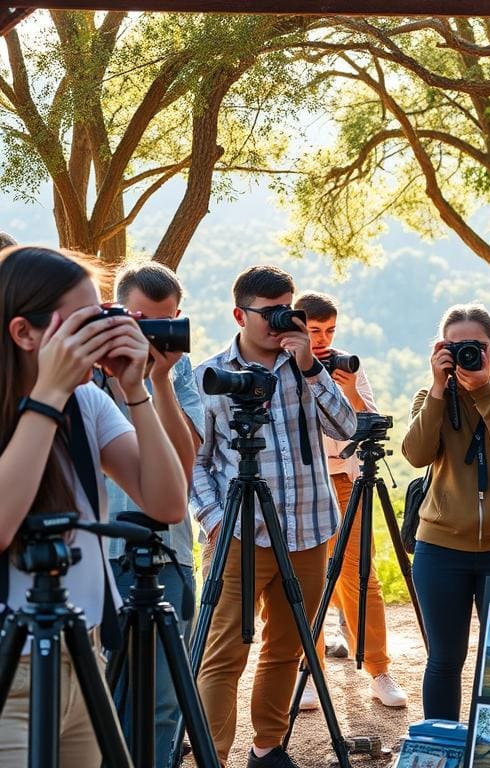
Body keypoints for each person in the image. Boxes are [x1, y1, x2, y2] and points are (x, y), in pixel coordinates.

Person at [0, 246, 187, 766]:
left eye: (102, 319)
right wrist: (48, 395)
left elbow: (167, 502)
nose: (98, 337)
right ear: (24, 332)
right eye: (82, 324)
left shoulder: (88, 404)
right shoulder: (56, 401)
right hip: (7, 669)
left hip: (83, 656)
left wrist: (138, 389)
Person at [192, 266, 357, 768]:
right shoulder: (212, 375)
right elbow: (195, 461)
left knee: (288, 648)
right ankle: (212, 757)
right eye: (270, 313)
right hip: (238, 534)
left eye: (290, 310)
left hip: (308, 530)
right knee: (222, 656)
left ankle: (267, 748)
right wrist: (215, 520)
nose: (282, 321)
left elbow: (346, 427)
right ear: (240, 314)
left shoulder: (306, 366)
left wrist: (310, 366)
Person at [402, 303, 490, 721]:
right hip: (440, 549)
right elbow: (415, 454)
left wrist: (482, 393)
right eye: (456, 346)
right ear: (440, 350)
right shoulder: (431, 398)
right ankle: (443, 748)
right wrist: (440, 389)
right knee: (444, 660)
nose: (468, 354)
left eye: (476, 346)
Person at [103, 262, 204, 768]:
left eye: (162, 322)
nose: (149, 333)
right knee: (98, 702)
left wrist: (159, 379)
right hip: (101, 552)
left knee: (162, 708)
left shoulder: (178, 368)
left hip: (166, 552)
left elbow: (184, 468)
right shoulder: (89, 364)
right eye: (139, 320)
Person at [292, 291, 407, 709]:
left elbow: (371, 422)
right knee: (306, 580)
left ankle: (379, 670)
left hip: (344, 480)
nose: (322, 339)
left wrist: (351, 393)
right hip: (301, 484)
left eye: (329, 331)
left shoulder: (347, 367)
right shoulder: (284, 364)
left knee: (360, 577)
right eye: (314, 331)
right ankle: (308, 672)